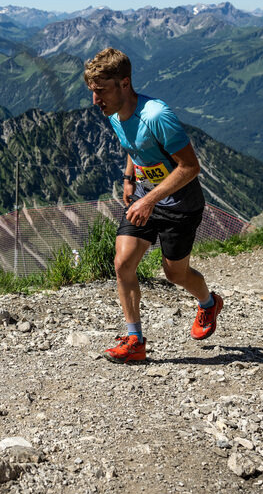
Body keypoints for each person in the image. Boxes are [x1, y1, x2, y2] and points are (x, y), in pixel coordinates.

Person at [84, 48, 222, 364]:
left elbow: (189, 167)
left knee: (175, 273)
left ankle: (208, 302)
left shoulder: (157, 116)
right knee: (123, 264)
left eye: (101, 91)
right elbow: (135, 145)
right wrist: (130, 175)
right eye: (93, 92)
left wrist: (148, 199)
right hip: (147, 197)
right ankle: (135, 341)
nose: (95, 101)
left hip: (180, 205)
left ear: (124, 83)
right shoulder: (116, 112)